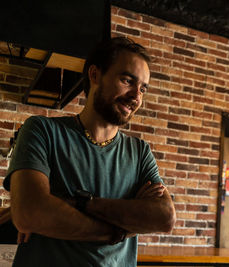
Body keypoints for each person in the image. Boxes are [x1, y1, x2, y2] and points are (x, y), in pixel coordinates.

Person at [3, 37, 176, 267]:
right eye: (127, 80)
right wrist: (121, 229)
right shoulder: (42, 130)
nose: (136, 96)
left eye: (142, 88)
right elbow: (30, 214)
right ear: (95, 75)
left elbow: (163, 217)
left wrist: (80, 203)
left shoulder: (139, 152)